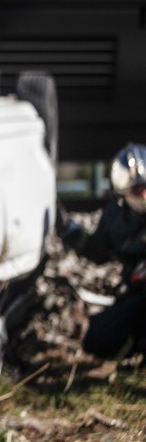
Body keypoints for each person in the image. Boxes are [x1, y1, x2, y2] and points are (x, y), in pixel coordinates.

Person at [62, 142, 146, 359]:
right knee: (98, 339)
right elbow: (98, 252)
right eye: (138, 191)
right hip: (136, 294)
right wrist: (70, 232)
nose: (144, 196)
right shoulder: (115, 217)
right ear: (123, 193)